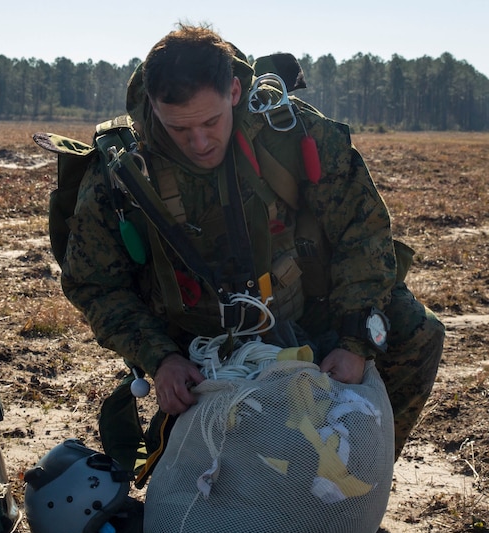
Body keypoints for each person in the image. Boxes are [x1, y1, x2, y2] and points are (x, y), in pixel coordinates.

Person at [59, 23, 446, 475]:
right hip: (199, 348)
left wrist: (355, 341)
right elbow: (94, 284)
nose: (199, 143)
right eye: (179, 128)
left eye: (210, 122)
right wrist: (160, 358)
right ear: (152, 108)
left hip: (307, 314)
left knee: (415, 330)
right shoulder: (123, 170)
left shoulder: (289, 130)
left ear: (235, 91)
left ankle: (357, 479)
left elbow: (362, 232)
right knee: (232, 478)